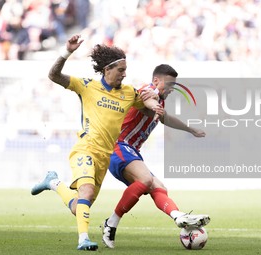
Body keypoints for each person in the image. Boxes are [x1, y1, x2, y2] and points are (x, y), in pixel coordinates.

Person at [30, 34, 163, 251]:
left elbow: (145, 101)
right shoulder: (87, 86)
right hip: (85, 149)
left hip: (104, 156)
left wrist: (153, 99)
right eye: (121, 69)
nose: (125, 73)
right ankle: (83, 240)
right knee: (87, 193)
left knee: (79, 206)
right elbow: (53, 75)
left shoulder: (129, 92)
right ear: (107, 69)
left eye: (125, 69)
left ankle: (53, 182)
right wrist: (67, 52)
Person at [102, 64, 210, 249]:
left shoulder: (161, 100)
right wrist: (154, 104)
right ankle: (111, 223)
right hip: (118, 145)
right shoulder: (148, 90)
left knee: (159, 187)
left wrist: (190, 129)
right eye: (168, 85)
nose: (170, 89)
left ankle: (178, 216)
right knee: (145, 179)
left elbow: (166, 118)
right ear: (156, 81)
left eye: (173, 86)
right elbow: (146, 99)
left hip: (131, 151)